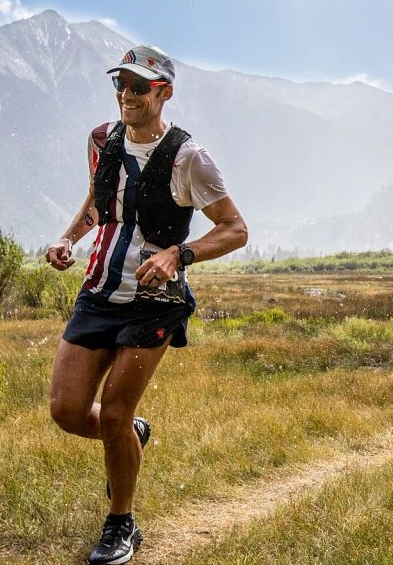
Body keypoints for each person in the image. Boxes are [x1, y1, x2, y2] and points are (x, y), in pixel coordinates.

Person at [44, 44, 247, 564]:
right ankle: (132, 435)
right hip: (99, 291)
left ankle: (121, 522)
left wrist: (180, 254)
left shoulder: (188, 158)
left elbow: (235, 229)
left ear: (164, 93)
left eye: (139, 87)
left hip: (154, 302)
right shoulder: (100, 140)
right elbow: (99, 201)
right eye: (121, 85)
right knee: (67, 411)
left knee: (112, 413)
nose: (126, 96)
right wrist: (70, 238)